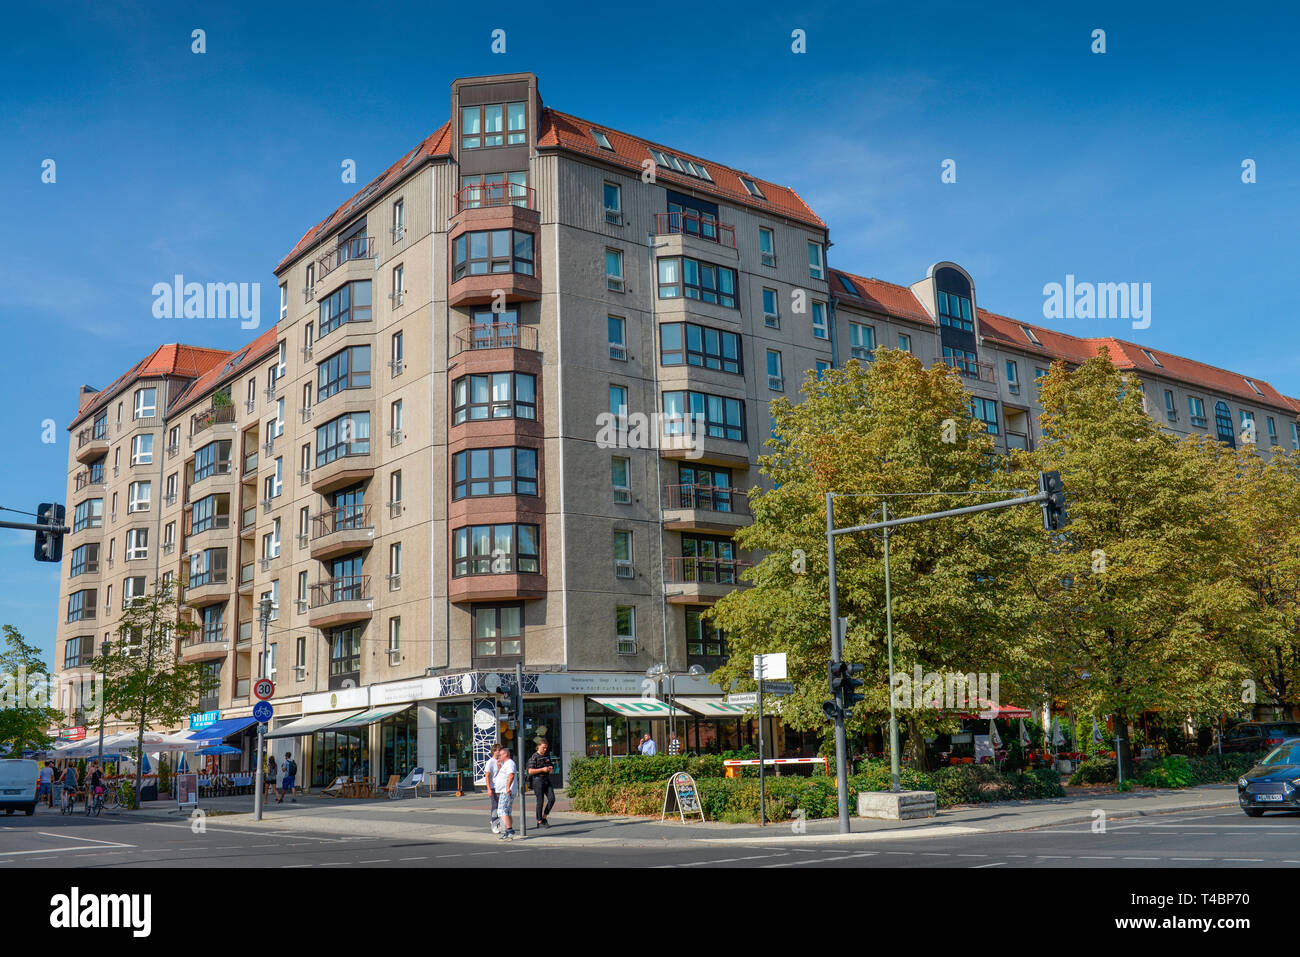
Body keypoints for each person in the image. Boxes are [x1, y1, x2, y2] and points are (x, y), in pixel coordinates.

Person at [526, 740, 556, 828]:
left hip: (546, 779)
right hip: (537, 780)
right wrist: (542, 769)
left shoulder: (547, 755)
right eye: (543, 747)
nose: (545, 749)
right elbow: (530, 771)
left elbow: (550, 765)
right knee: (540, 801)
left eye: (546, 747)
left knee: (552, 798)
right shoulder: (534, 757)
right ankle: (539, 820)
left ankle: (544, 817)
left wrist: (550, 768)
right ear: (538, 747)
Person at [493, 745, 518, 840]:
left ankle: (509, 830)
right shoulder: (506, 764)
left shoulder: (510, 763)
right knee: (507, 811)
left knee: (501, 810)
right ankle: (509, 830)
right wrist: (499, 766)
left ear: (506, 754)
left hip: (506, 791)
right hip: (505, 791)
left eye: (501, 755)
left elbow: (511, 775)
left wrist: (507, 787)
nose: (499, 756)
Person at [484, 745, 502, 834]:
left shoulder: (502, 761)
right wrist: (488, 789)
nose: (499, 752)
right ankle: (494, 824)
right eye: (498, 750)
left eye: (500, 750)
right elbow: (487, 776)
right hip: (493, 786)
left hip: (501, 787)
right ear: (494, 751)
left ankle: (497, 821)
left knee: (501, 806)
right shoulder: (490, 762)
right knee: (495, 805)